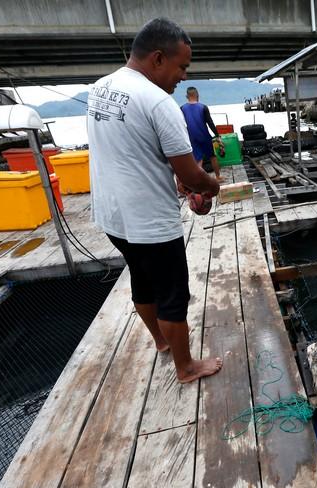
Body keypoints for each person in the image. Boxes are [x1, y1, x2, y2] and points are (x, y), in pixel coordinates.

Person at [87, 17, 222, 384]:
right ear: (158, 59)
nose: (182, 76)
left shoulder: (102, 88)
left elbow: (134, 150)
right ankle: (186, 367)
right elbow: (193, 175)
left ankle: (162, 343)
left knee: (142, 282)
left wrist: (180, 183)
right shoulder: (159, 103)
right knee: (172, 294)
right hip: (150, 221)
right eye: (182, 67)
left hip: (113, 215)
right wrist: (210, 187)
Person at [181, 86, 223, 181]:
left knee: (198, 159)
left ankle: (199, 181)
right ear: (197, 95)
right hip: (204, 135)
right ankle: (218, 177)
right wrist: (217, 135)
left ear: (186, 96)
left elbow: (180, 124)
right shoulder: (203, 107)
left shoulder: (182, 108)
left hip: (191, 137)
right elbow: (210, 122)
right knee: (212, 156)